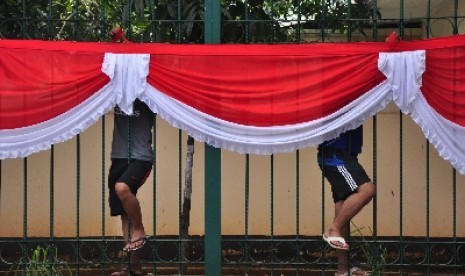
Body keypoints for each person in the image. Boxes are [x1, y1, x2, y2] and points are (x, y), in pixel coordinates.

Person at [317, 125, 375, 276]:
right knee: (367, 190)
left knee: (342, 206)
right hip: (336, 155)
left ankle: (342, 270)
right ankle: (333, 229)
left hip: (344, 154)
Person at [108, 99, 154, 276]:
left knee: (122, 188)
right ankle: (133, 267)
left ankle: (139, 229)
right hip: (119, 157)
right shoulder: (116, 91)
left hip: (141, 158)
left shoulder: (147, 91)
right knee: (124, 214)